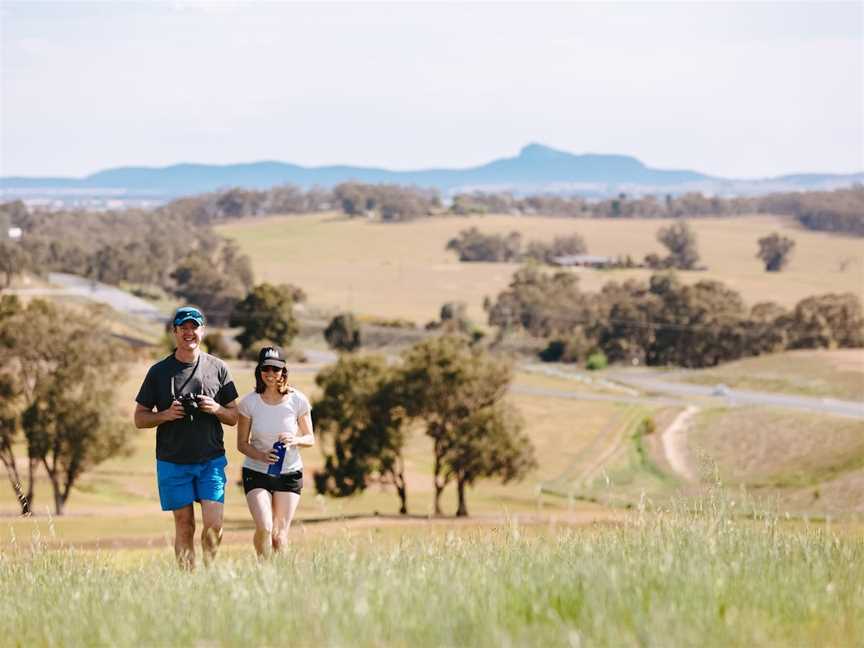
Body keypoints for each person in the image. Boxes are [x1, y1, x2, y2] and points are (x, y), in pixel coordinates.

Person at [133, 306, 239, 569]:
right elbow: (140, 418)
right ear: (175, 332)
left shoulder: (219, 368)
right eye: (184, 328)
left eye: (194, 327)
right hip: (173, 461)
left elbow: (234, 416)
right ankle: (187, 582)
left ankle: (209, 571)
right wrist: (166, 415)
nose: (189, 333)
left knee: (214, 525)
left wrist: (215, 408)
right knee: (184, 525)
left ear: (202, 331)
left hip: (210, 460)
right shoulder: (158, 372)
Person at [236, 346, 314, 558]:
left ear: (283, 371)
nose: (271, 373)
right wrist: (261, 456)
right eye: (266, 368)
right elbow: (241, 444)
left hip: (289, 473)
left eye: (276, 369)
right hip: (256, 472)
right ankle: (263, 568)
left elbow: (310, 438)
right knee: (265, 527)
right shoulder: (248, 403)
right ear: (259, 371)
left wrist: (295, 440)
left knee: (279, 536)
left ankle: (281, 578)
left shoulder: (298, 400)